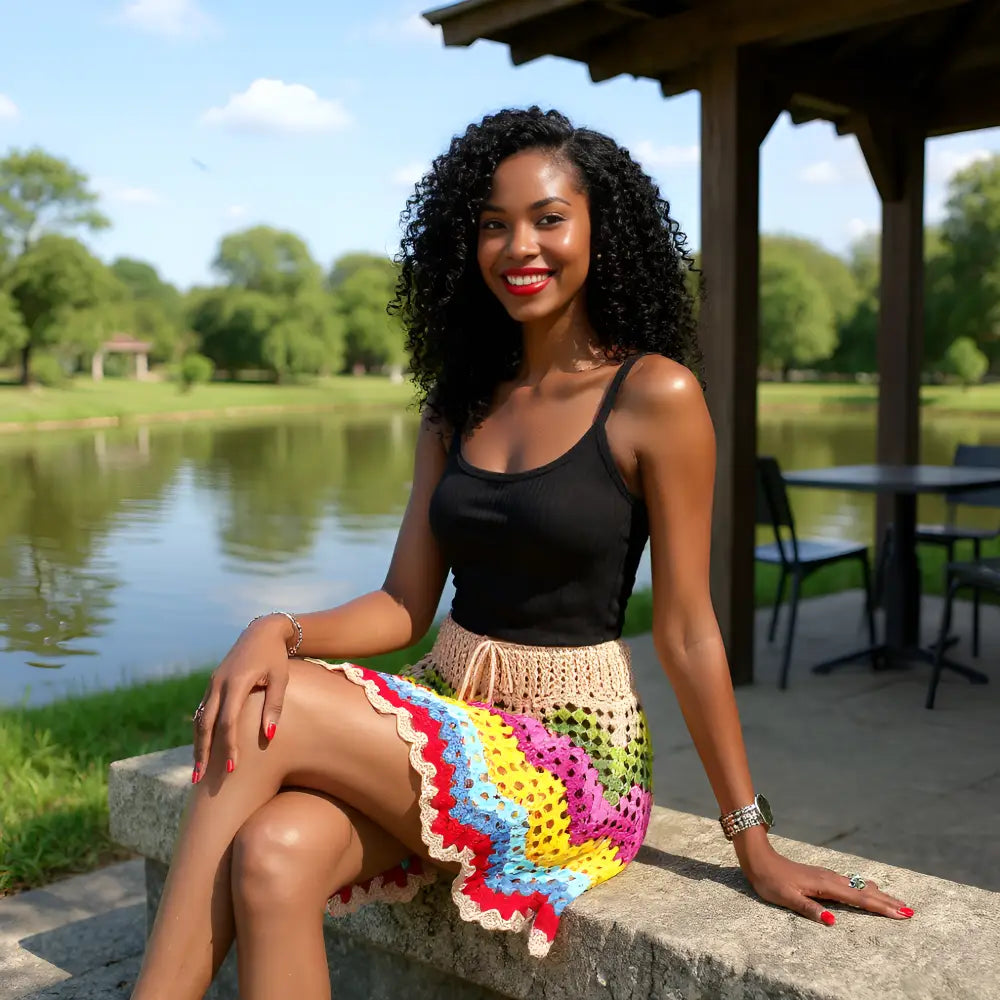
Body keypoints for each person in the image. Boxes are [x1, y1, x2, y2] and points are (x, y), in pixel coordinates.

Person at [130, 107, 914, 1000]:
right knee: (272, 854)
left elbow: (690, 630)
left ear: (598, 231)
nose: (518, 246)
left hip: (572, 756)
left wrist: (751, 838)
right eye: (494, 225)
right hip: (449, 712)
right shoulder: (456, 404)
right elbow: (401, 606)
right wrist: (279, 626)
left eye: (548, 218)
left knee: (274, 703)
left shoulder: (653, 393)